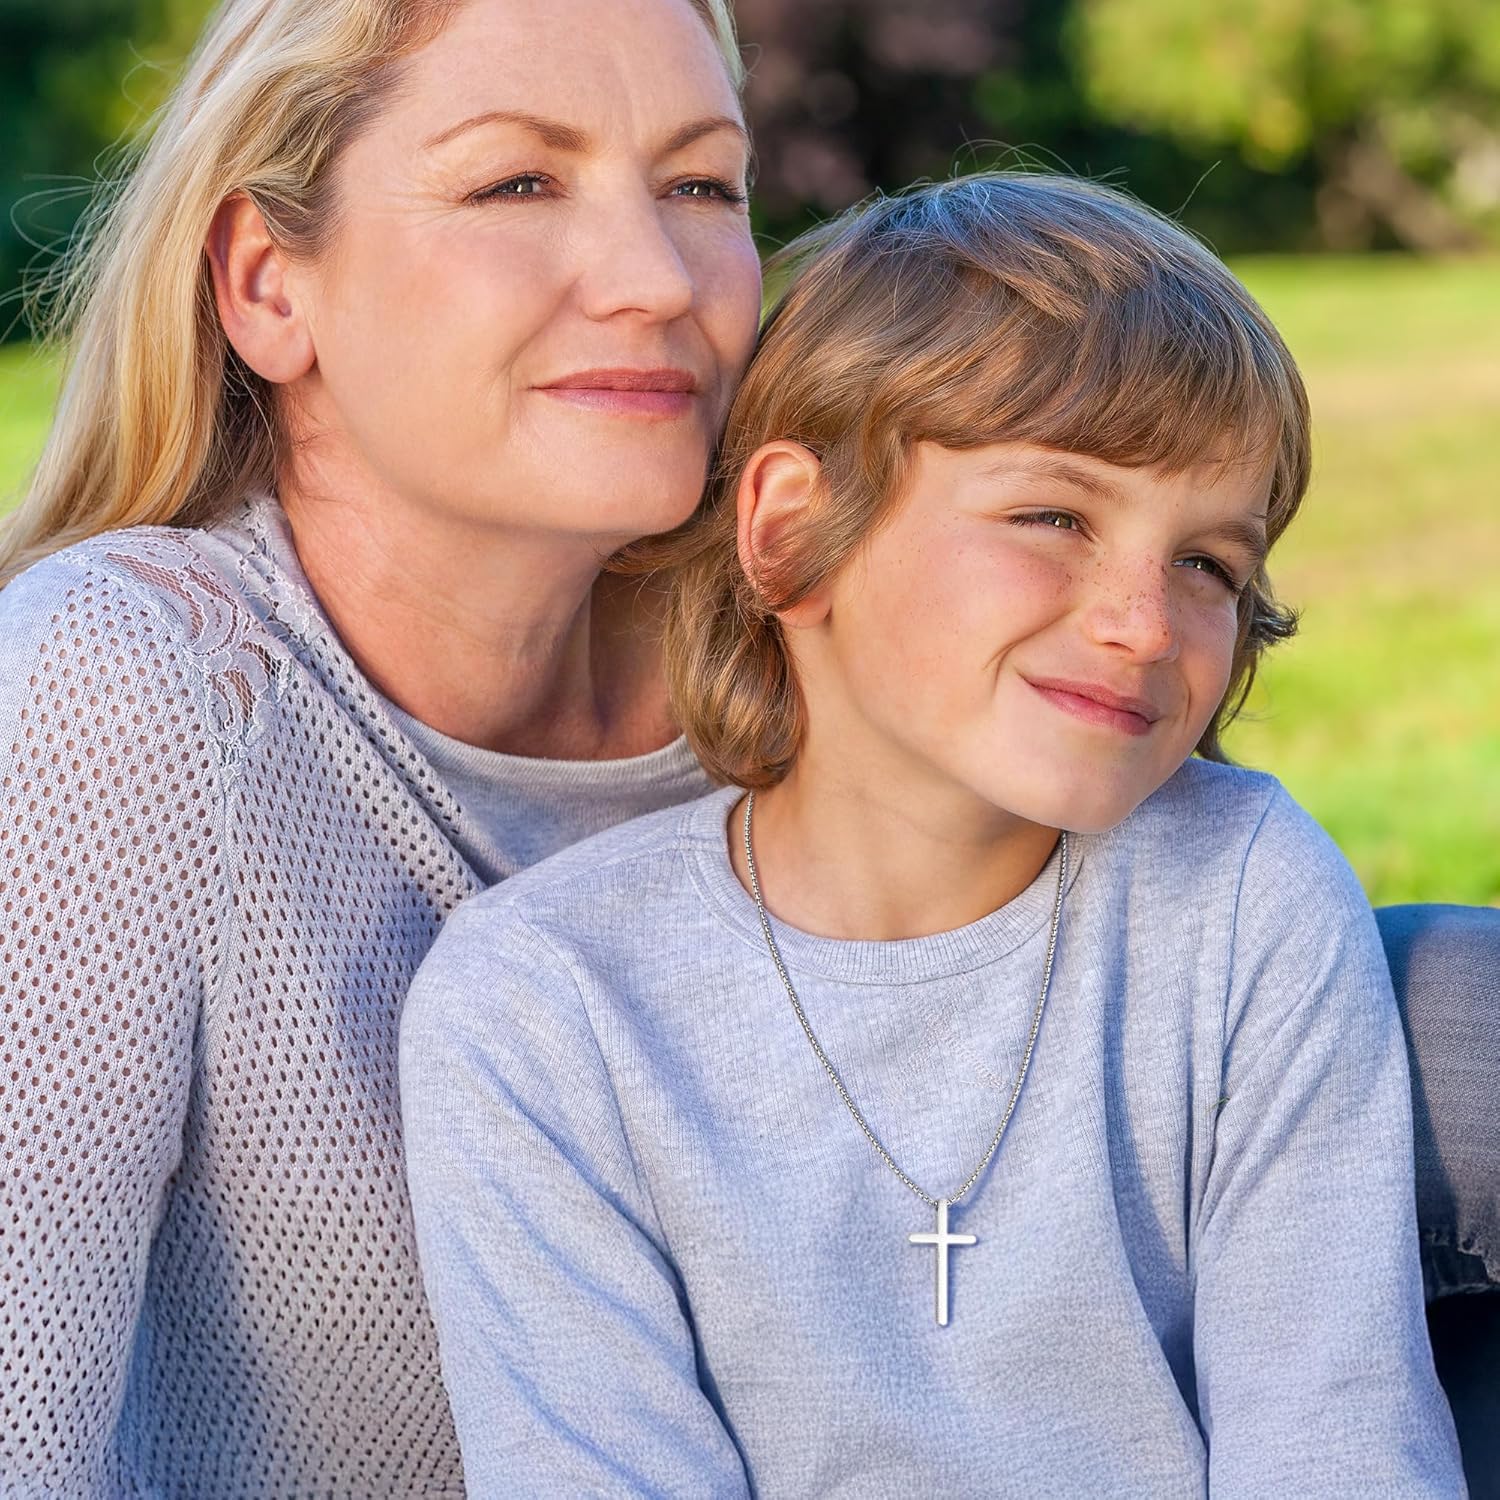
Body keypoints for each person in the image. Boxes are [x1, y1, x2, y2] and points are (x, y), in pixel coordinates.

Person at [400, 173, 1468, 1496]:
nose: (1144, 623)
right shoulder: (544, 1007)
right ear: (793, 534)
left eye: (1209, 566)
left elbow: (1333, 1430)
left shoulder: (1238, 889)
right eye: (1054, 518)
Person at [0, 0, 760, 1492]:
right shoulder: (132, 693)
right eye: (516, 184)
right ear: (270, 285)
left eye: (703, 185)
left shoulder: (811, 686)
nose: (656, 279)